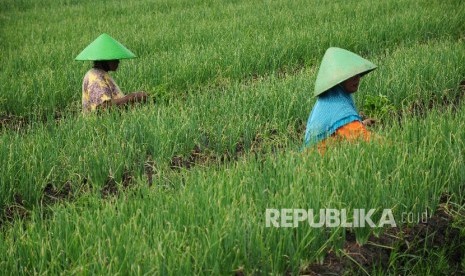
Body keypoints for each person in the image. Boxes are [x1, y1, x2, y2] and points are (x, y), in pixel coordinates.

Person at [303, 47, 377, 152]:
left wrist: (362, 124)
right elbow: (366, 141)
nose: (357, 79)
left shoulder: (328, 101)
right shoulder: (339, 109)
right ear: (338, 81)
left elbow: (338, 131)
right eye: (351, 75)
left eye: (358, 74)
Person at [75, 33, 148, 113]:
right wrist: (132, 97)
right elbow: (104, 107)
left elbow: (110, 98)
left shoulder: (101, 74)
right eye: (114, 58)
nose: (118, 61)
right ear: (104, 60)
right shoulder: (95, 77)